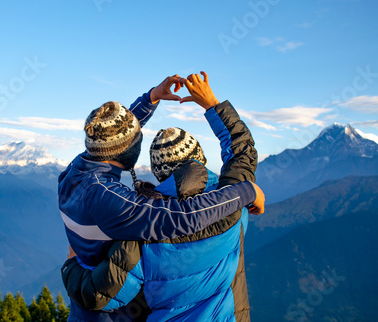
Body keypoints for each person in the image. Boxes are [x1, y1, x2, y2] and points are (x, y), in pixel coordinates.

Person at [58, 74, 264, 321]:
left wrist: (151, 98)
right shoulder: (228, 204)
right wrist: (245, 190)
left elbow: (106, 292)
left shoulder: (74, 173)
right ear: (199, 158)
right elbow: (184, 215)